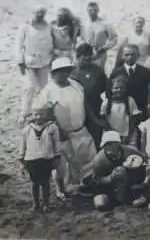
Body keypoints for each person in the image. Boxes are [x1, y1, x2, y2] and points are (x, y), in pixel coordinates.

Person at [37, 57, 97, 199]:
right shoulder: (48, 91)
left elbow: (84, 105)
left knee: (87, 157)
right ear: (53, 74)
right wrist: (58, 130)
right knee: (62, 164)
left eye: (66, 71)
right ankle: (61, 189)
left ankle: (85, 185)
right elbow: (45, 114)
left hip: (80, 129)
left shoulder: (76, 85)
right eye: (59, 72)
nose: (63, 74)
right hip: (61, 133)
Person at [86, 131, 148, 210]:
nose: (108, 147)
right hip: (110, 189)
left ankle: (131, 197)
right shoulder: (99, 160)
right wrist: (110, 177)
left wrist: (134, 168)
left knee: (139, 202)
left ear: (118, 143)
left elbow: (145, 163)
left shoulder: (131, 151)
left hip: (130, 185)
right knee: (100, 203)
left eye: (111, 143)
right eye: (106, 145)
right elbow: (96, 181)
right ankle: (118, 200)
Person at [18, 101, 61, 212]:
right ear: (32, 114)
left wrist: (57, 157)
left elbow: (57, 143)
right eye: (36, 114)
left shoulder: (52, 127)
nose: (39, 117)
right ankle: (36, 203)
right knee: (34, 182)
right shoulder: (27, 129)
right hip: (31, 159)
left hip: (46, 158)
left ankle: (46, 203)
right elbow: (23, 143)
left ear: (47, 114)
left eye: (42, 114)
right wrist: (21, 157)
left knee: (46, 182)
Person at [16, 6, 54, 124]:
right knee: (29, 88)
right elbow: (18, 45)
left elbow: (52, 41)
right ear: (33, 13)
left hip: (44, 62)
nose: (40, 15)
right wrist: (20, 61)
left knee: (43, 88)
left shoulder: (48, 27)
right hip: (29, 63)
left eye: (42, 13)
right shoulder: (26, 27)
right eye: (37, 13)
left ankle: (41, 112)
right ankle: (25, 113)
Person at [70, 43, 108, 148]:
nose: (87, 60)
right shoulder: (70, 72)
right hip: (77, 112)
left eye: (89, 58)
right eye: (84, 57)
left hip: (95, 109)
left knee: (96, 141)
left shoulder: (97, 70)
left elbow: (106, 89)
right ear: (77, 57)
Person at [110, 44, 150, 117]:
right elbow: (110, 92)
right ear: (122, 56)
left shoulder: (145, 72)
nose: (130, 57)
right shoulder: (116, 72)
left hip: (141, 111)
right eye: (126, 55)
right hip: (122, 112)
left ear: (138, 56)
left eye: (132, 55)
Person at [101, 75, 142, 147]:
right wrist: (114, 136)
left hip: (129, 135)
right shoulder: (106, 102)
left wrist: (128, 136)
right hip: (111, 136)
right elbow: (104, 122)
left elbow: (134, 120)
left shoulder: (130, 101)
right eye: (116, 88)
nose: (119, 90)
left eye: (122, 88)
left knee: (129, 154)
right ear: (111, 89)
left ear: (126, 88)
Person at [80, 2, 118, 68]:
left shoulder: (105, 23)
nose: (92, 12)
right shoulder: (83, 24)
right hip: (85, 53)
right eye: (90, 10)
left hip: (99, 53)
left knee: (97, 72)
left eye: (95, 10)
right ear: (87, 11)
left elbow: (114, 38)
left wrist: (104, 49)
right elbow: (80, 38)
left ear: (98, 11)